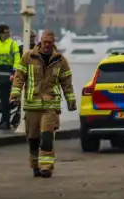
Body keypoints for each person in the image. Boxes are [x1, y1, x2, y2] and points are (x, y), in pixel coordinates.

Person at [10, 30, 76, 177]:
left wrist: (71, 100)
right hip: (32, 105)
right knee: (33, 138)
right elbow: (19, 77)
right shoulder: (28, 57)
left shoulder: (61, 61)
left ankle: (46, 166)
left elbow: (67, 84)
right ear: (41, 41)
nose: (47, 45)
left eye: (50, 43)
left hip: (50, 105)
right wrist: (15, 95)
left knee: (47, 137)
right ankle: (35, 165)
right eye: (45, 42)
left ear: (54, 43)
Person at [0, 24, 21, 130]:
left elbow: (17, 58)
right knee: (4, 99)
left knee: (8, 100)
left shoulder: (12, 44)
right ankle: (4, 121)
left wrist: (14, 72)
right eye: (6, 32)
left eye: (9, 31)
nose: (8, 34)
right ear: (1, 33)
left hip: (9, 75)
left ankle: (5, 121)